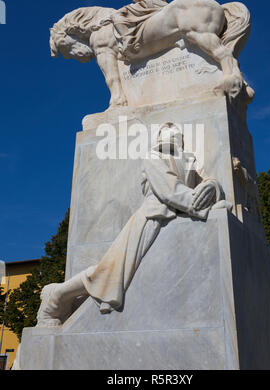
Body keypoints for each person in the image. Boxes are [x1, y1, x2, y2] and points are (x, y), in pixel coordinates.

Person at [36, 123, 229, 327]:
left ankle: (59, 293)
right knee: (110, 271)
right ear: (160, 137)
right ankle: (56, 295)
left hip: (178, 214)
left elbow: (208, 180)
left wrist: (211, 187)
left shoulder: (190, 160)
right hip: (152, 217)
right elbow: (168, 189)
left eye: (177, 133)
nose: (173, 134)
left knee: (110, 270)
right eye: (168, 131)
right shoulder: (153, 157)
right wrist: (195, 202)